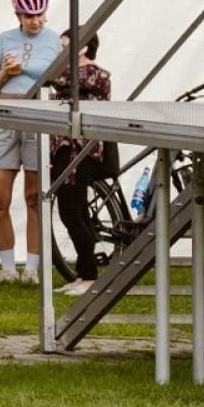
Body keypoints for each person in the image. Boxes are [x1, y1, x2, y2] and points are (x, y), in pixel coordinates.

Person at [0, 0, 62, 285]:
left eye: (40, 14)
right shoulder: (3, 40)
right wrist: (4, 74)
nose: (36, 20)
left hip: (38, 116)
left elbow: (65, 82)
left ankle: (32, 268)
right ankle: (7, 267)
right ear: (18, 14)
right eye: (29, 15)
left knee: (34, 196)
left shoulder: (55, 41)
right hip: (6, 116)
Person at [48, 31, 115, 295]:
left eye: (66, 46)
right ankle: (84, 273)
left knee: (72, 212)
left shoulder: (92, 75)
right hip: (64, 149)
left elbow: (64, 85)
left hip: (79, 151)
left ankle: (89, 276)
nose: (60, 51)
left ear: (84, 47)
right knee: (76, 212)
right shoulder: (68, 76)